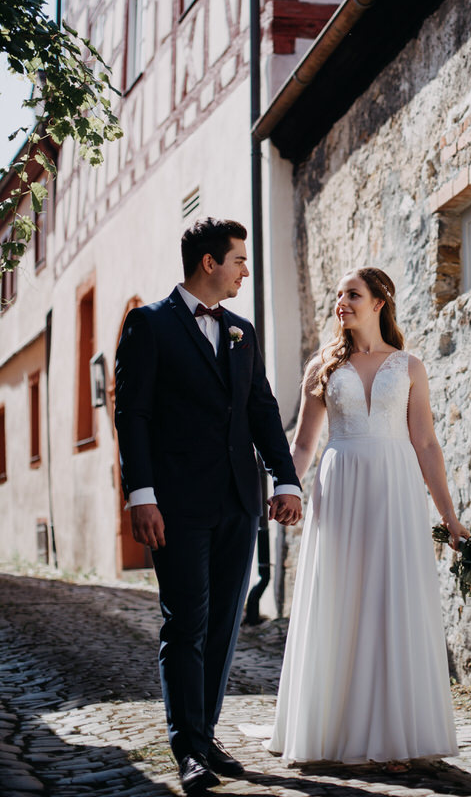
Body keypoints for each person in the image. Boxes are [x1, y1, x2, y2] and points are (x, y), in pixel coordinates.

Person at [115, 217, 302, 796]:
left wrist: (285, 480)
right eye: (239, 259)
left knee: (223, 623)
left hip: (238, 501)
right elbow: (134, 415)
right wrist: (141, 494)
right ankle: (187, 747)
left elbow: (263, 410)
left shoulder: (242, 331)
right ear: (209, 263)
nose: (246, 268)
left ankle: (206, 730)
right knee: (186, 622)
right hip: (175, 504)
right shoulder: (149, 325)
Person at [268, 266, 469, 769]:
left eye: (352, 294)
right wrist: (287, 487)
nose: (342, 302)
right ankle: (329, 731)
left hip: (396, 491)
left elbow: (425, 443)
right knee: (340, 597)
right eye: (337, 295)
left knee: (390, 600)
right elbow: (304, 443)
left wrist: (449, 516)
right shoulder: (323, 367)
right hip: (341, 490)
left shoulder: (409, 366)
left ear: (380, 302)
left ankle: (390, 735)